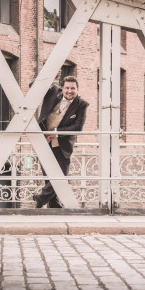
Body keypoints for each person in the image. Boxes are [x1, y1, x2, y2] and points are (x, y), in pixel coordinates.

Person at [32, 75, 89, 208]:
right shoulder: (52, 91)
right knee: (48, 175)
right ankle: (54, 204)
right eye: (67, 88)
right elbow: (33, 86)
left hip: (62, 144)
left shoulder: (82, 104)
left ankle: (41, 198)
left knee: (61, 175)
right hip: (43, 140)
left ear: (77, 89)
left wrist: (56, 132)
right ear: (62, 88)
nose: (70, 91)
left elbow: (77, 127)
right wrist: (49, 77)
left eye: (73, 88)